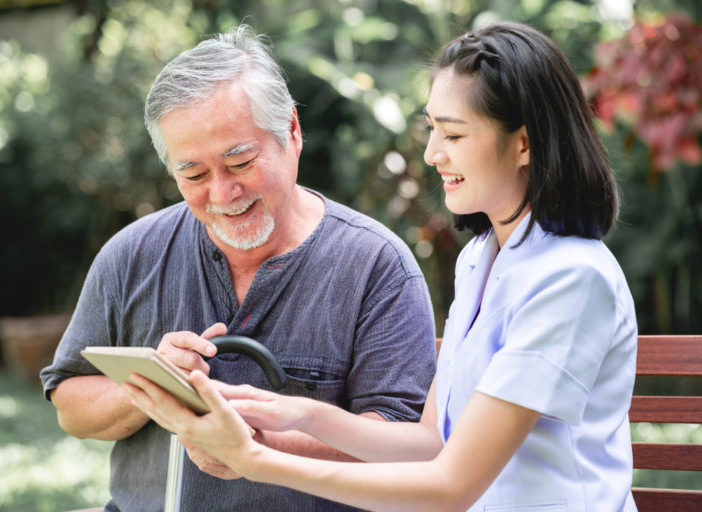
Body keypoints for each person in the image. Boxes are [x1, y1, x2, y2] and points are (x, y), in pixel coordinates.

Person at [123, 21, 639, 512]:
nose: (433, 153)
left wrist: (256, 460)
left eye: (454, 135)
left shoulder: (572, 278)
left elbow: (450, 487)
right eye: (431, 128)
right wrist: (295, 413)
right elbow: (428, 440)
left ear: (524, 143)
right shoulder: (483, 259)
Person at [40, 24, 436, 512]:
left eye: (241, 161)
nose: (223, 193)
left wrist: (258, 447)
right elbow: (70, 404)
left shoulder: (377, 266)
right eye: (195, 175)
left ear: (292, 131)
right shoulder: (131, 254)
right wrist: (150, 386)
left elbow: (409, 449)